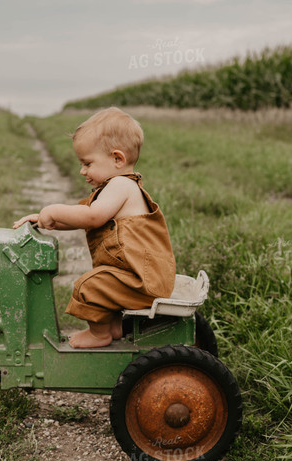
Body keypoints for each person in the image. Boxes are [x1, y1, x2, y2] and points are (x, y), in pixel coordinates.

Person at [13, 107, 175, 348]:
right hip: (136, 275)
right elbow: (83, 218)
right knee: (104, 281)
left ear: (117, 159)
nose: (82, 171)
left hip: (142, 280)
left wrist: (54, 209)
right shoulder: (118, 186)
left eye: (87, 163)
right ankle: (114, 327)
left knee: (90, 285)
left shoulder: (121, 186)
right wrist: (46, 219)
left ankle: (99, 334)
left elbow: (92, 217)